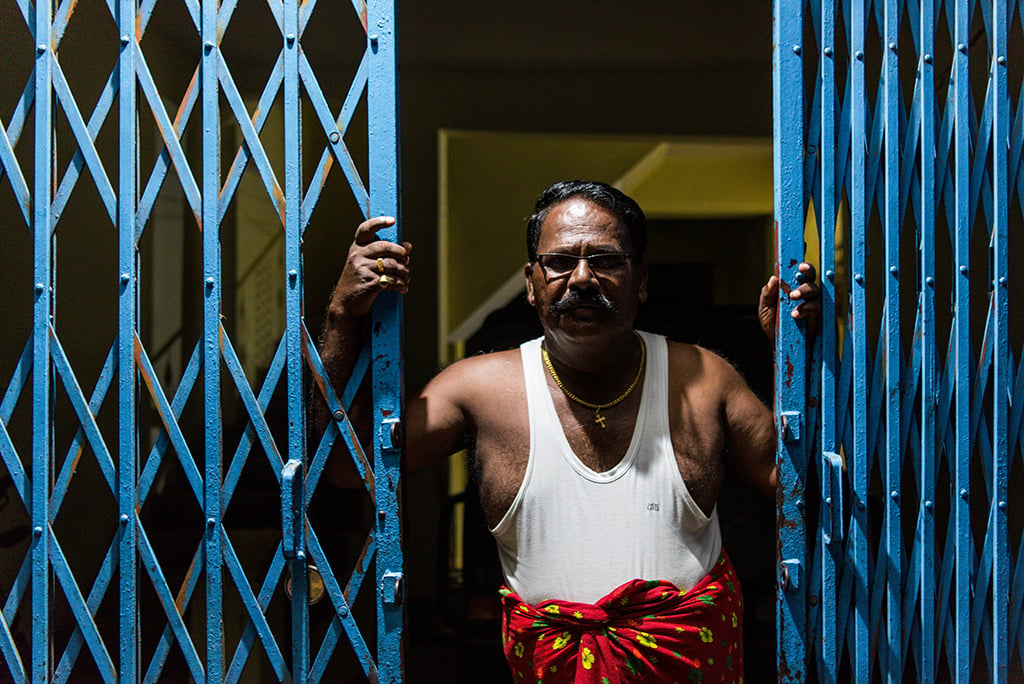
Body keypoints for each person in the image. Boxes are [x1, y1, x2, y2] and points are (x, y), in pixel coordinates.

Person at [316, 180, 818, 683]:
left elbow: (794, 481)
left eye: (605, 260)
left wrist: (800, 353)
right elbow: (343, 466)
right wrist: (343, 315)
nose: (582, 278)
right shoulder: (480, 389)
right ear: (531, 282)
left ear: (641, 279)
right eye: (559, 262)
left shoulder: (704, 380)